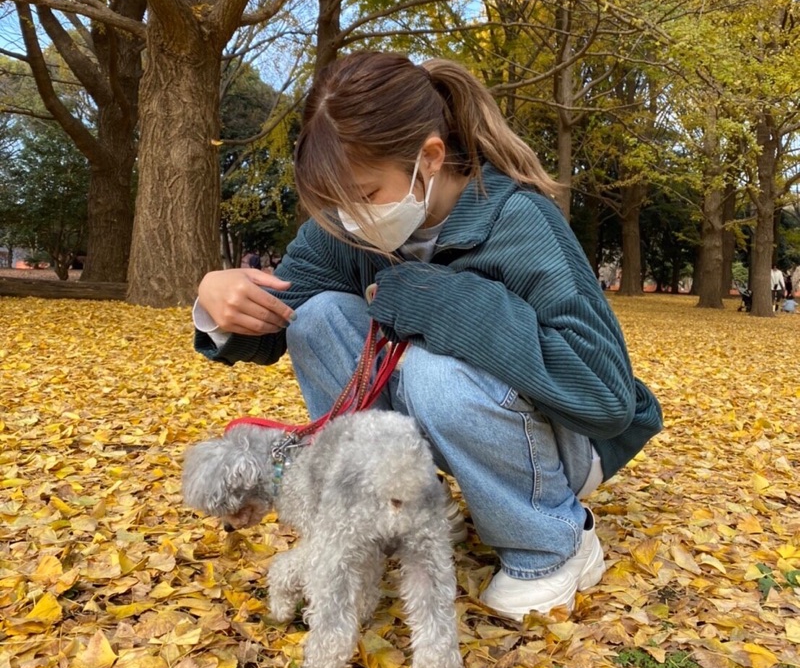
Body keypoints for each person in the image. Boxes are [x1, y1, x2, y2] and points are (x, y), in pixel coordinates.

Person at [194, 51, 662, 620]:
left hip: (569, 440)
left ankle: (552, 541)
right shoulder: (345, 227)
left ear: (430, 158)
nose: (350, 218)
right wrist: (217, 302)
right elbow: (281, 321)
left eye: (366, 195)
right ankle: (398, 510)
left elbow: (605, 397)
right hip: (451, 421)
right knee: (318, 319)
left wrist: (439, 301)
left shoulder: (521, 220)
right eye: (336, 203)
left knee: (429, 370)